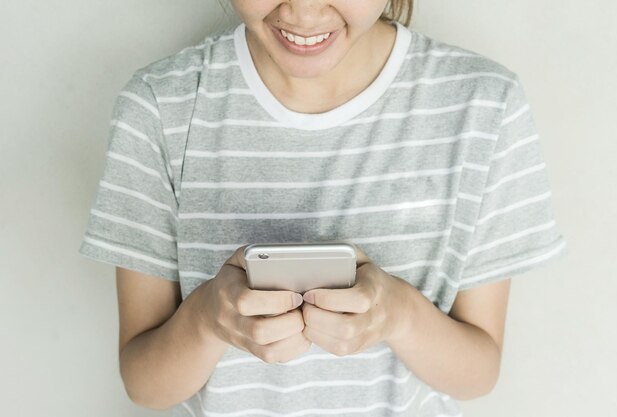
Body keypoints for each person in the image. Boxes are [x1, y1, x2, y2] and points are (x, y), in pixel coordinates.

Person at [78, 0, 568, 415]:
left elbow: (477, 374)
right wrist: (209, 318)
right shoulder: (159, 108)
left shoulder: (484, 106)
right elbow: (144, 383)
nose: (305, 11)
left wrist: (398, 314)